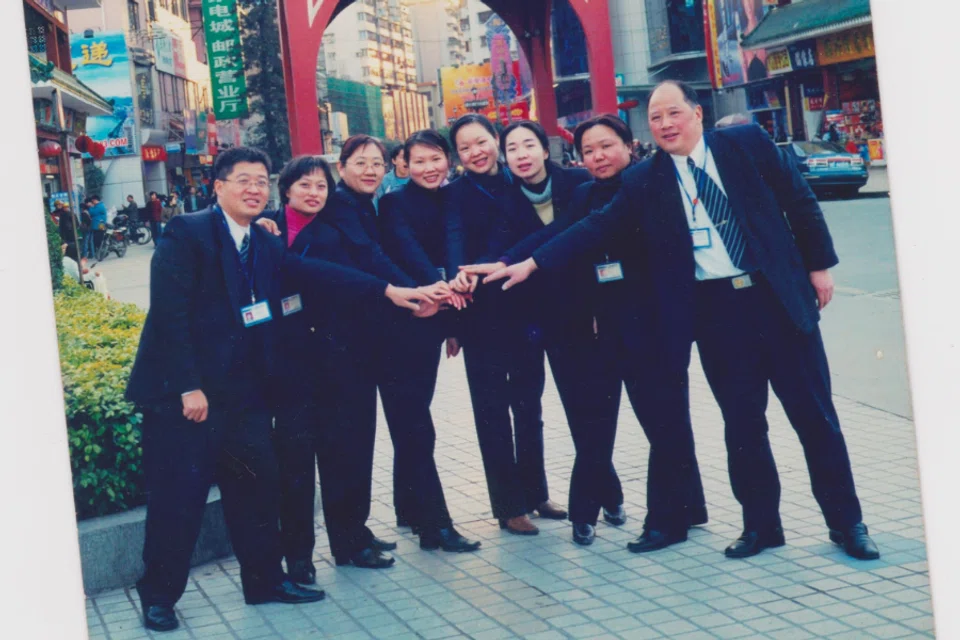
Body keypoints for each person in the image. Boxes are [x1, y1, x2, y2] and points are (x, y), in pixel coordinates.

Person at [483, 80, 880, 561]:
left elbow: (798, 201)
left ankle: (847, 524)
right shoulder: (644, 179)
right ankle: (761, 526)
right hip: (716, 314)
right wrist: (531, 263)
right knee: (743, 425)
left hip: (775, 299)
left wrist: (818, 266)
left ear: (696, 112)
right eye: (655, 118)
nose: (665, 125)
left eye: (673, 113)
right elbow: (591, 227)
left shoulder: (745, 144)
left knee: (815, 419)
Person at [124, 146, 432, 633]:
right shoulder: (188, 232)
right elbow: (169, 317)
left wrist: (388, 291)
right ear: (218, 187)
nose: (253, 189)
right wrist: (188, 386)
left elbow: (315, 274)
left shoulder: (264, 242)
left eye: (260, 181)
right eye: (242, 180)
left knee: (257, 490)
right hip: (187, 399)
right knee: (178, 499)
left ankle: (264, 581)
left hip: (242, 397)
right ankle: (159, 595)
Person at [464, 116, 708, 550]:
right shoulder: (583, 193)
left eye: (606, 147)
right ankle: (587, 514)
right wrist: (509, 263)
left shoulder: (650, 182)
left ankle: (677, 514)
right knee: (596, 425)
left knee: (665, 422)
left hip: (655, 325)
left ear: (630, 146)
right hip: (600, 326)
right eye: (589, 150)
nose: (598, 157)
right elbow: (563, 233)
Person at [445, 114, 567, 536]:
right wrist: (458, 274)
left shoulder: (519, 182)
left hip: (526, 311)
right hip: (480, 316)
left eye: (481, 142)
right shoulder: (455, 194)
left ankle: (536, 492)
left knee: (530, 406)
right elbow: (454, 237)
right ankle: (507, 504)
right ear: (457, 156)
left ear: (495, 141)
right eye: (464, 148)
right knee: (492, 411)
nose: (475, 152)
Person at [377, 130, 481, 553]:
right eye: (418, 161)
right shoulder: (392, 202)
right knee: (416, 423)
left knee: (413, 418)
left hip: (435, 316)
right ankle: (434, 526)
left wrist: (452, 302)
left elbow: (455, 238)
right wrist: (439, 285)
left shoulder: (452, 196)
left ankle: (409, 507)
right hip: (402, 321)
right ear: (403, 165)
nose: (429, 168)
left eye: (435, 158)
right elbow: (405, 249)